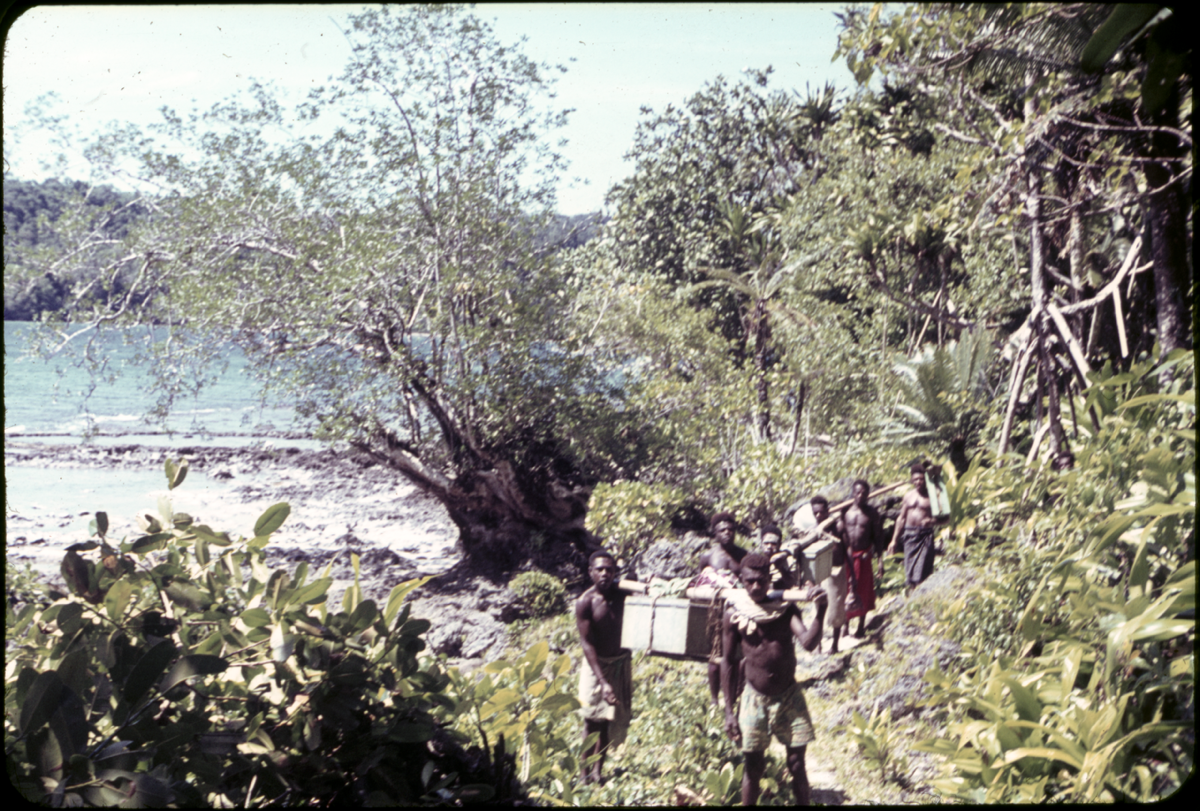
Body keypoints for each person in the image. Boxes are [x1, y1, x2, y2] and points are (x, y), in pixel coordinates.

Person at [721, 554, 827, 805]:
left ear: (770, 580)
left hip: (789, 696)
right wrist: (729, 711)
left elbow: (808, 643)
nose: (756, 586)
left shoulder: (784, 610)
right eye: (750, 581)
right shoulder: (734, 614)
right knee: (753, 767)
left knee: (797, 763)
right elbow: (728, 661)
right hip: (753, 698)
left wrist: (821, 610)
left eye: (761, 581)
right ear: (741, 580)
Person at [575, 550, 632, 785]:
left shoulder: (623, 594)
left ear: (615, 572)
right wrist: (602, 681)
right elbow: (587, 644)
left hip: (619, 662)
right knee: (591, 721)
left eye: (609, 569)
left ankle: (598, 772)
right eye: (599, 569)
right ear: (591, 572)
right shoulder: (585, 602)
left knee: (608, 719)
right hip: (595, 666)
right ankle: (583, 775)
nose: (605, 574)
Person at [698, 512, 748, 707]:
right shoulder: (708, 556)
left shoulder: (743, 556)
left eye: (730, 530)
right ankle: (714, 700)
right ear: (715, 533)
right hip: (715, 613)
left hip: (738, 611)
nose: (727, 533)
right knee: (714, 658)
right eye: (722, 530)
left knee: (738, 657)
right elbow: (700, 582)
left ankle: (735, 696)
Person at [887, 464, 947, 595]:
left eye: (921, 479)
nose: (918, 482)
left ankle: (922, 596)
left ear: (926, 480)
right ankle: (912, 595)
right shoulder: (908, 496)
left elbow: (946, 518)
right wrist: (894, 540)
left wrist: (932, 522)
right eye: (915, 479)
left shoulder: (933, 496)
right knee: (910, 572)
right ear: (912, 480)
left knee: (922, 571)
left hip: (924, 536)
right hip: (909, 535)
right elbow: (901, 519)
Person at [839, 479, 885, 639]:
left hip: (864, 556)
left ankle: (860, 626)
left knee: (863, 590)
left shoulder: (872, 513)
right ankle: (845, 624)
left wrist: (880, 560)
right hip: (847, 556)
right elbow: (839, 532)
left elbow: (878, 537)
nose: (860, 496)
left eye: (864, 493)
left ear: (868, 495)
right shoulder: (844, 511)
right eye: (858, 492)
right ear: (853, 493)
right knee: (845, 589)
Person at [809, 495, 849, 652]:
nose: (818, 515)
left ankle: (835, 645)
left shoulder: (838, 527)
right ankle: (818, 644)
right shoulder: (814, 530)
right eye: (815, 513)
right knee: (818, 606)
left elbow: (847, 549)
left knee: (837, 607)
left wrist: (852, 575)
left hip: (836, 570)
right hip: (819, 570)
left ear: (827, 510)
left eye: (821, 512)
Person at [758, 523, 796, 590]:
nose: (769, 547)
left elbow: (792, 584)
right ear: (761, 544)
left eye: (773, 544)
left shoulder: (789, 561)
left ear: (780, 545)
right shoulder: (756, 560)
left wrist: (781, 568)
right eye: (766, 543)